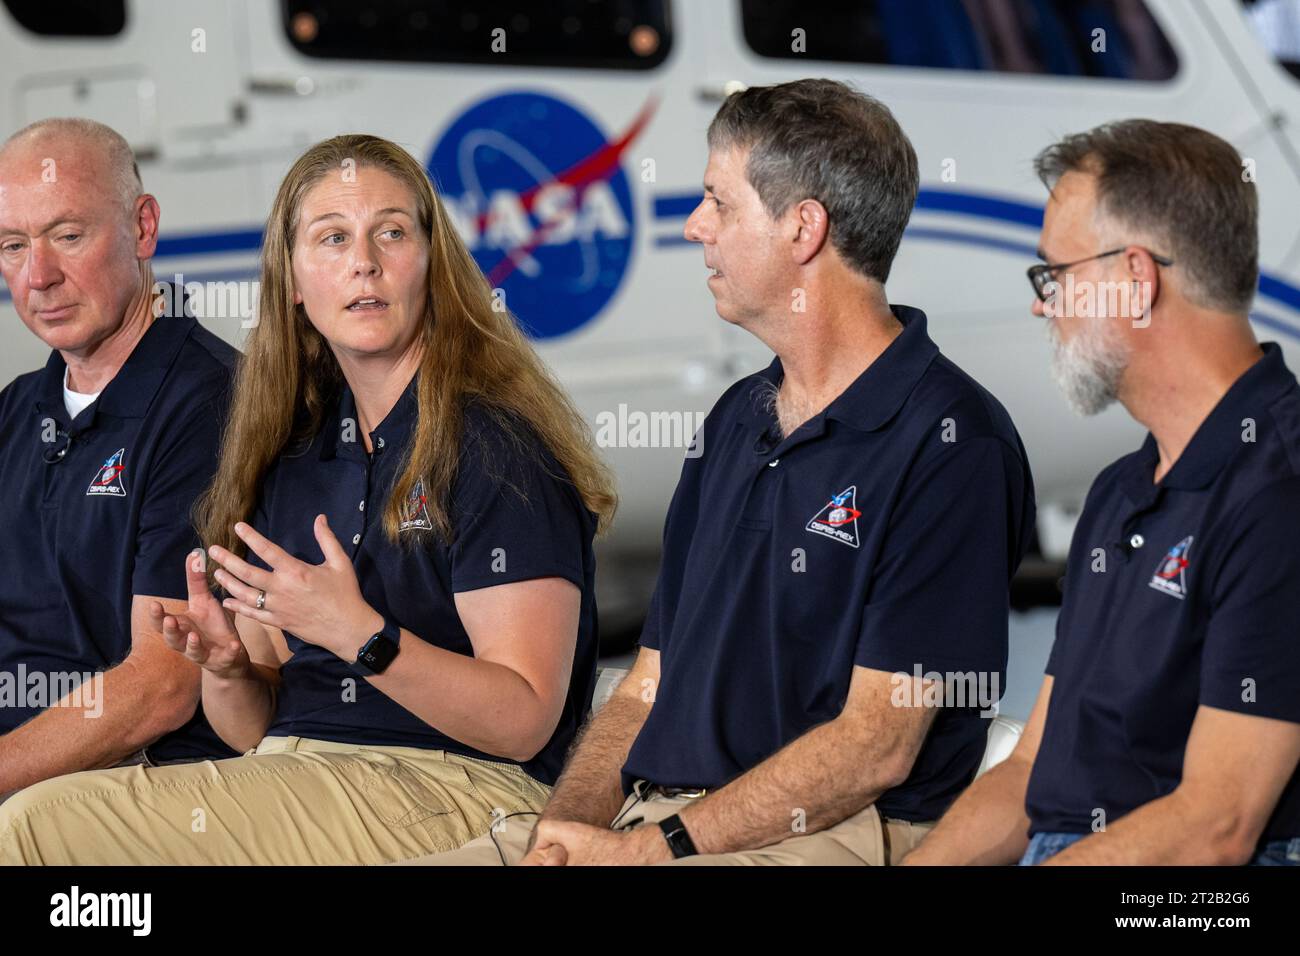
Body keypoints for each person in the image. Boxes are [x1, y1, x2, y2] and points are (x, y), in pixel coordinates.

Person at [409, 78, 1034, 866]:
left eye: (719, 202)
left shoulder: (950, 443)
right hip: (660, 825)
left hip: (825, 834)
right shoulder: (737, 418)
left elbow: (875, 747)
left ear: (804, 228)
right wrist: (562, 832)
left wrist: (656, 849)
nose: (695, 225)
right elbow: (644, 689)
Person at [0, 133, 616, 864]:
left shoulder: (495, 446)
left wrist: (359, 633)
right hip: (293, 769)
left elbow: (522, 722)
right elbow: (248, 726)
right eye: (332, 238)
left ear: (433, 263)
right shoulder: (294, 454)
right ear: (292, 280)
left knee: (38, 826)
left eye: (391, 232)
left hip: (451, 789)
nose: (364, 261)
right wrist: (226, 669)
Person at [904, 120, 1300, 866]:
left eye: (1053, 275)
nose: (1041, 305)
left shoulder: (1278, 491)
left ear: (1137, 279)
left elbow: (1216, 828)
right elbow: (1029, 775)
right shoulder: (1122, 492)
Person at [0, 118, 239, 801]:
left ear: (143, 228)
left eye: (67, 236)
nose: (38, 276)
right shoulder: (17, 411)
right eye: (13, 246)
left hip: (126, 780)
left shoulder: (213, 405)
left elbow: (162, 686)